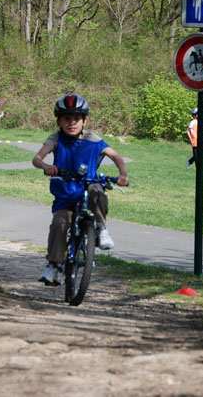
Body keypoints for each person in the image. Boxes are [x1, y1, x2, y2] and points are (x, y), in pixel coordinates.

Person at [32, 94, 129, 286]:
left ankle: (101, 228)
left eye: (76, 118)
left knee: (97, 192)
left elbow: (116, 156)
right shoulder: (55, 138)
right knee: (60, 224)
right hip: (65, 192)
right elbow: (37, 158)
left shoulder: (93, 138)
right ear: (59, 121)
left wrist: (123, 175)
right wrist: (46, 166)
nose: (71, 123)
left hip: (88, 185)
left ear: (85, 120)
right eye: (66, 118)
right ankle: (54, 266)